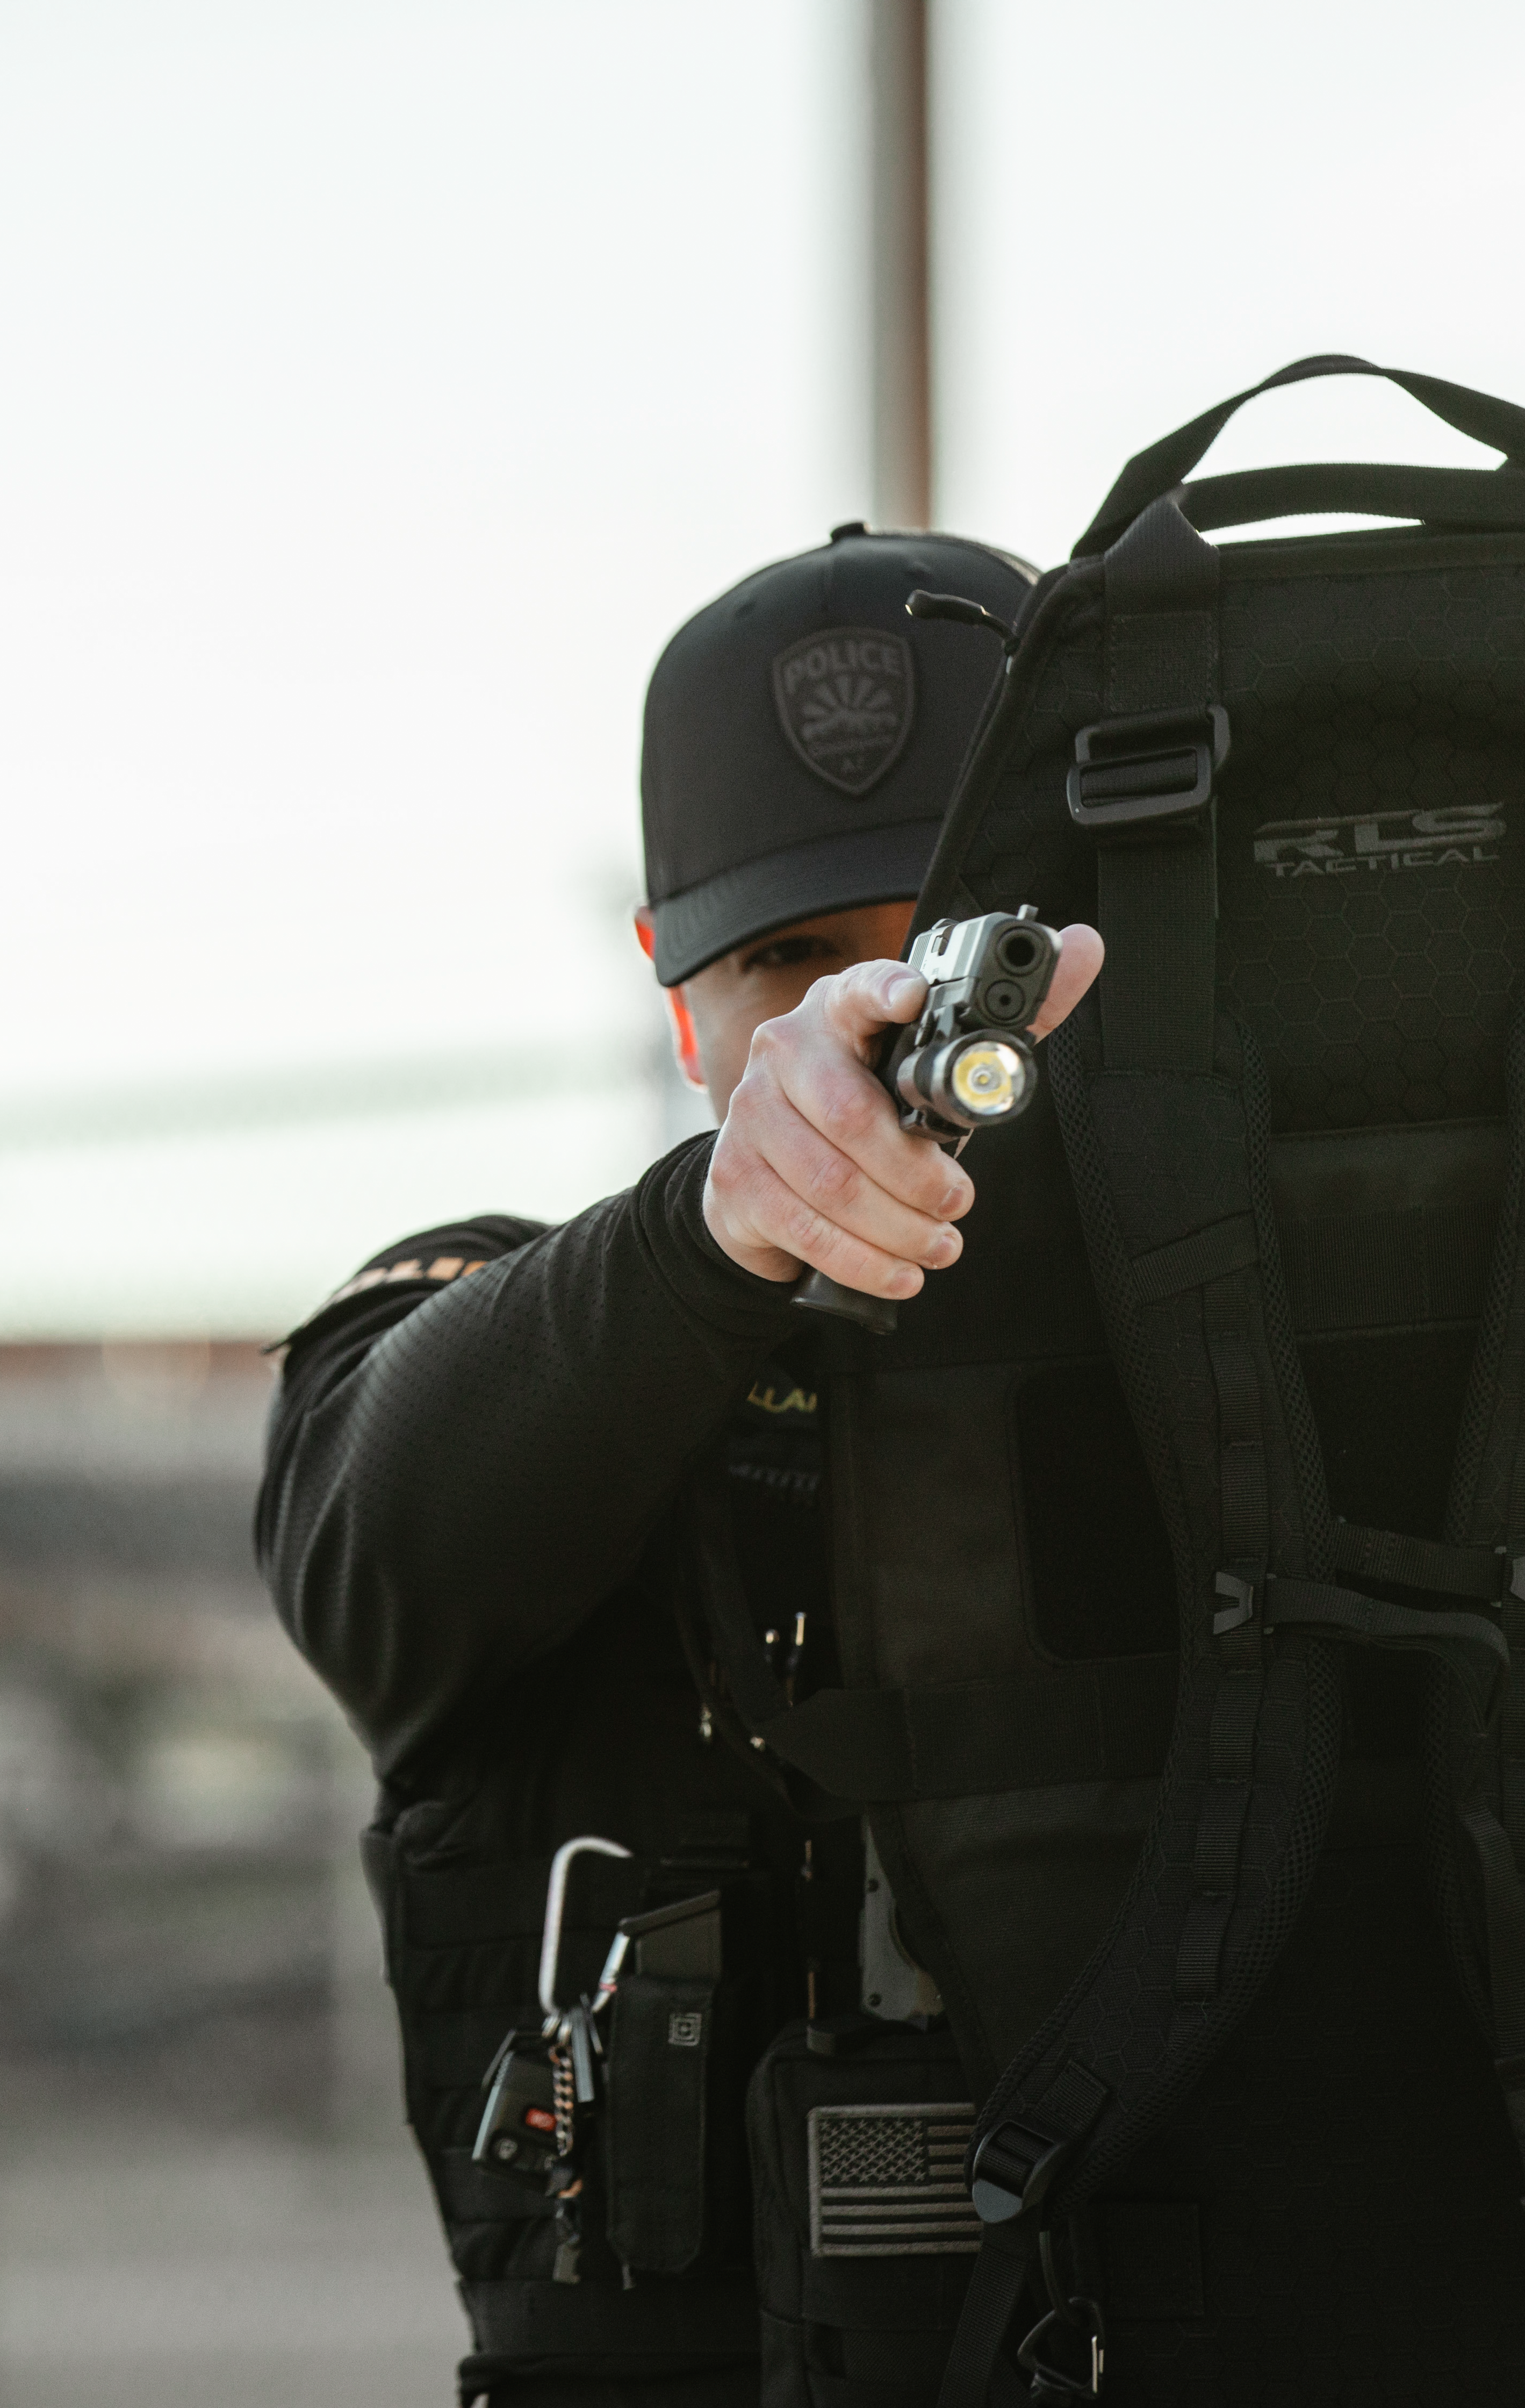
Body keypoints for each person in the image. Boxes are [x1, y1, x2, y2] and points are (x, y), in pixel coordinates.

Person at [255, 520, 1099, 2408]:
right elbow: (374, 1536)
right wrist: (716, 1239)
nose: (860, 1024)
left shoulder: (1228, 1372)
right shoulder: (544, 1325)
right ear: (670, 982)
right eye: (788, 959)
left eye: (942, 945)